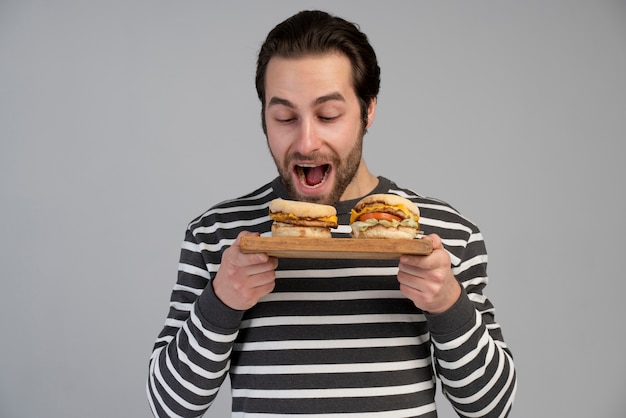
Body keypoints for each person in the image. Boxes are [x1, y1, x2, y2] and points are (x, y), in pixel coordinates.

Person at [147, 10, 517, 418]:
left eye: (328, 116)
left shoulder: (444, 234)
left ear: (368, 110)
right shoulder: (219, 234)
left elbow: (490, 408)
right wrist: (221, 301)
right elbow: (171, 406)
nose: (306, 141)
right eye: (284, 117)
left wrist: (448, 302)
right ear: (264, 120)